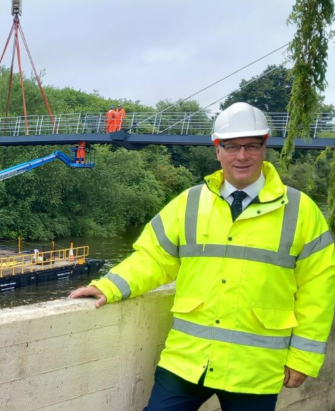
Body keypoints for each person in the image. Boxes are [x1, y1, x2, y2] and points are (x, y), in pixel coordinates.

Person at [70, 102, 335, 410]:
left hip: (255, 369)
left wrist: (303, 357)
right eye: (232, 146)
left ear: (265, 147)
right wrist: (110, 285)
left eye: (251, 145)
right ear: (217, 150)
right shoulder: (190, 203)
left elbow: (318, 289)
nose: (242, 155)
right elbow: (154, 258)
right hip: (188, 360)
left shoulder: (301, 211)